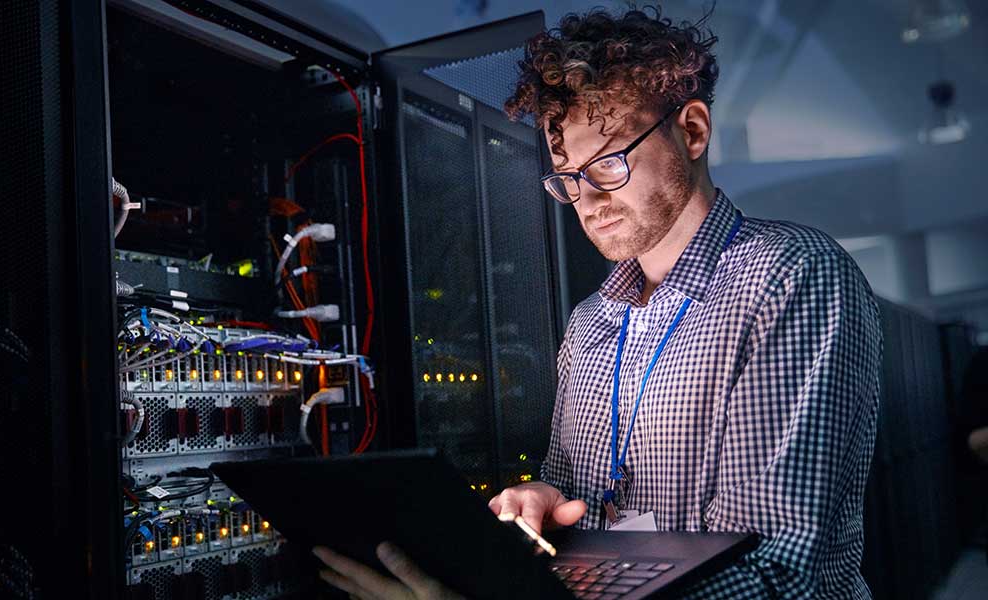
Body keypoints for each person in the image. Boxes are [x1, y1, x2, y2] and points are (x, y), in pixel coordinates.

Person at [313, 6, 882, 598]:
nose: (587, 200)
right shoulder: (591, 325)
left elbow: (773, 574)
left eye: (608, 162)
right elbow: (573, 520)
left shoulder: (790, 277)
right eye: (568, 176)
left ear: (691, 130)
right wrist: (546, 501)